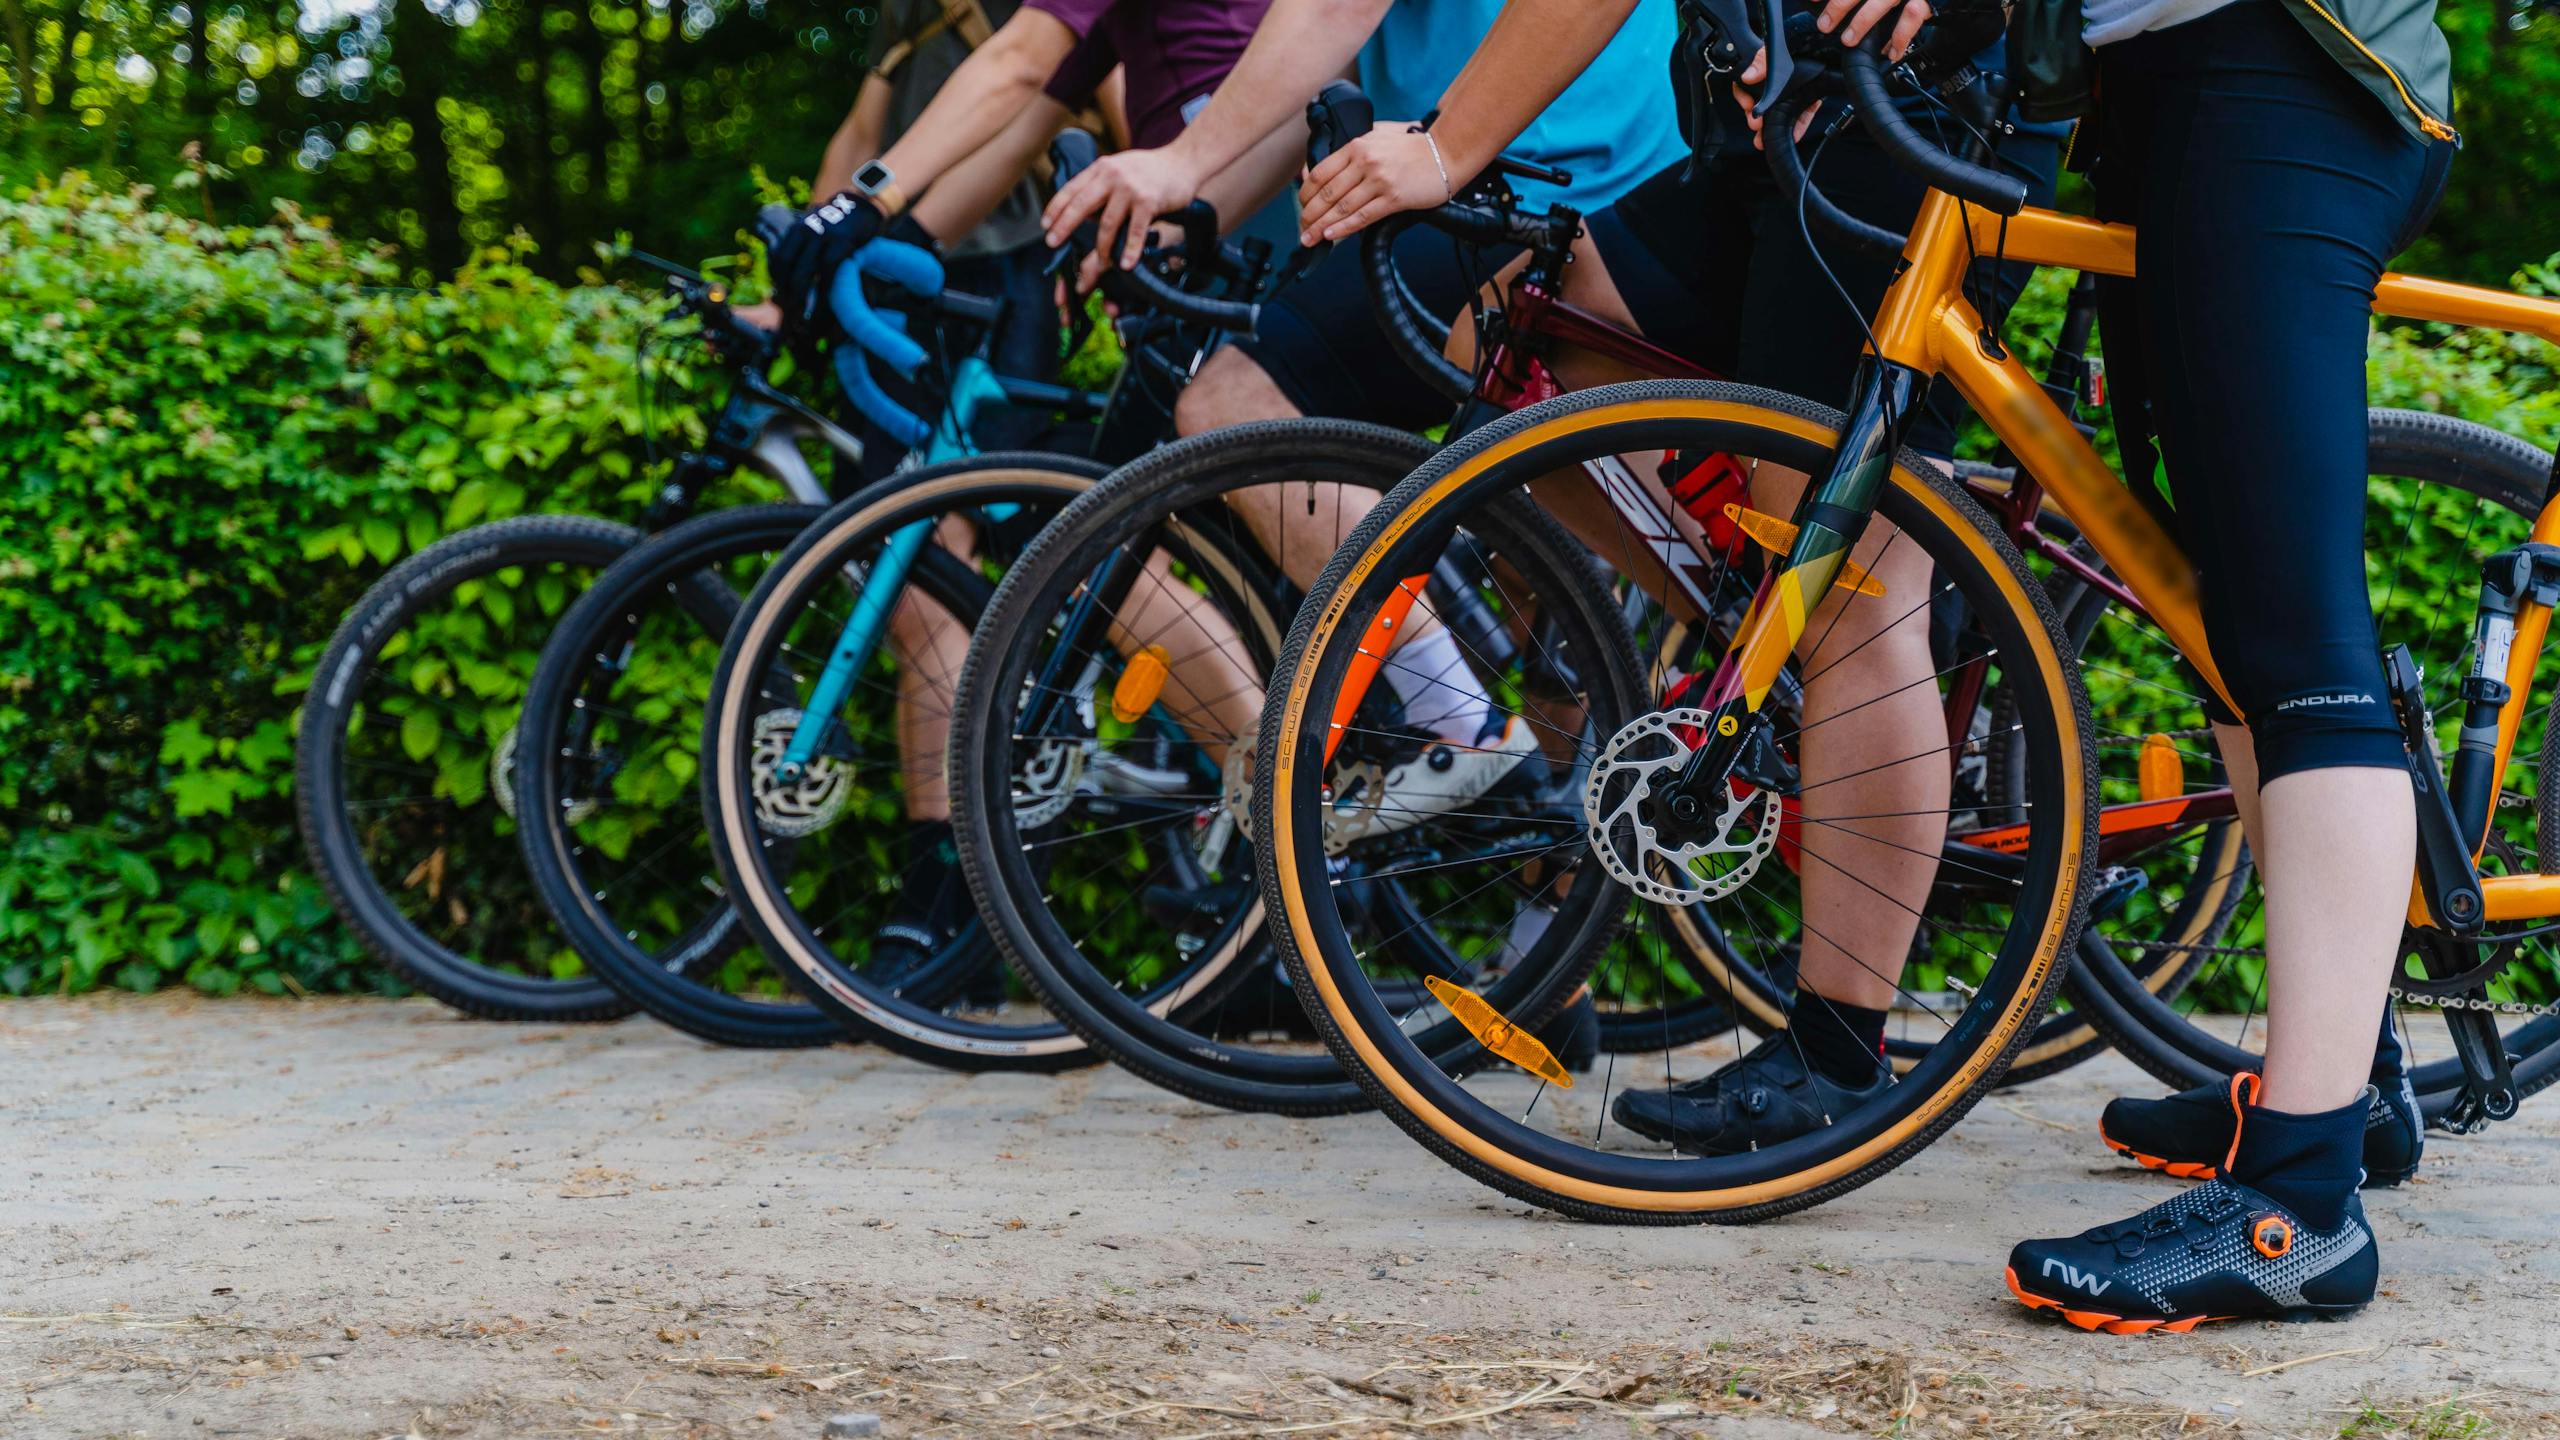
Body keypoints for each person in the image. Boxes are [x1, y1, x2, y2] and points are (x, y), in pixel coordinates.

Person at [1306, 0, 2454, 1330]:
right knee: (2221, 622)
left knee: (2289, 636)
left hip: (2289, 76)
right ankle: (2350, 1093)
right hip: (2173, 93)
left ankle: (2297, 1209)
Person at [1306, 0, 2063, 1150]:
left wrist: (1446, 144)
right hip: (1801, 109)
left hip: (1919, 101)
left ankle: (1839, 1054)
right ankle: (1768, 661)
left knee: (1845, 586)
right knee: (1527, 314)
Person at [1036, 0, 1687, 840]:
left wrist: (1180, 164)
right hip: (1637, 206)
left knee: (1233, 405)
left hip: (1513, 188)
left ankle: (1459, 723)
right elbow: (1314, 89)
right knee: (1627, 585)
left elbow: (1330, 12)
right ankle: (1552, 935)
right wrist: (1186, 213)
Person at [762, 0, 1304, 969]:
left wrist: (866, 211)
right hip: (1206, 210)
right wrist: (872, 240)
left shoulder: (1024, 20)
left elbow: (1039, 85)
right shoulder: (916, 19)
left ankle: (1305, 825)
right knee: (1085, 543)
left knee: (1101, 542)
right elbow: (940, 127)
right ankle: (1303, 847)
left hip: (1213, 214)